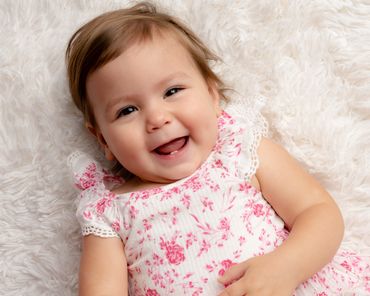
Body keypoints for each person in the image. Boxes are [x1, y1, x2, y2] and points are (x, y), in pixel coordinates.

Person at [66, 2, 370, 295]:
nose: (157, 119)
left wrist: (285, 267)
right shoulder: (110, 214)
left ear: (212, 95)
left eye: (172, 91)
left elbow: (318, 213)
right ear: (104, 140)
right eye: (127, 111)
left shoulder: (238, 151)